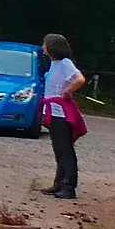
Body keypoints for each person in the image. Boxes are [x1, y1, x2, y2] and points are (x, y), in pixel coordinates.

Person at [41, 33, 88, 198]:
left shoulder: (65, 63)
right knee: (58, 150)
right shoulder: (54, 64)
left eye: (45, 44)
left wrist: (67, 91)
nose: (43, 47)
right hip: (52, 111)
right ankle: (59, 182)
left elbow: (79, 79)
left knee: (65, 149)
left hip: (61, 113)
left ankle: (69, 186)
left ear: (52, 46)